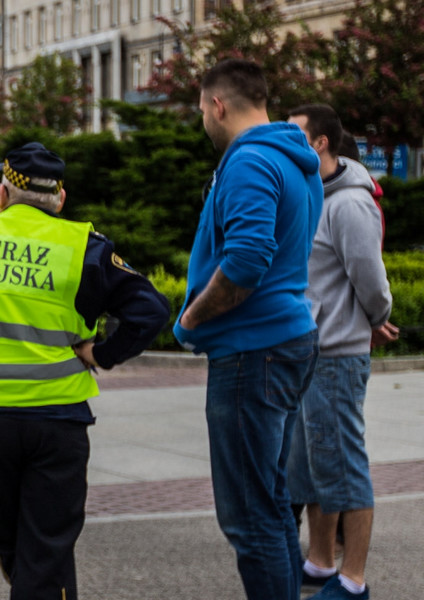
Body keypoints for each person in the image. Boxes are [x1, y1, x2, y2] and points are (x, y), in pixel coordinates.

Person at [0, 142, 170, 599]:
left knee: (12, 543)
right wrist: (101, 353)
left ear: (1, 194)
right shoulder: (83, 249)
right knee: (45, 551)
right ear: (60, 199)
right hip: (55, 424)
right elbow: (152, 311)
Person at [172, 58, 323, 600]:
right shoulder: (297, 160)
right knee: (271, 502)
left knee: (249, 518)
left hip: (251, 351)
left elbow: (246, 261)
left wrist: (189, 319)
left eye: (201, 112)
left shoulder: (251, 162)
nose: (203, 124)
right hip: (284, 342)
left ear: (218, 105)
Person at [285, 103, 397, 600]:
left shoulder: (348, 204)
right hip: (313, 351)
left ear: (321, 143)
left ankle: (353, 582)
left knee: (344, 466)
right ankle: (322, 563)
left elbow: (370, 279)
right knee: (311, 468)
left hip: (336, 354)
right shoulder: (316, 195)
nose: (286, 144)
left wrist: (375, 317)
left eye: (296, 136)